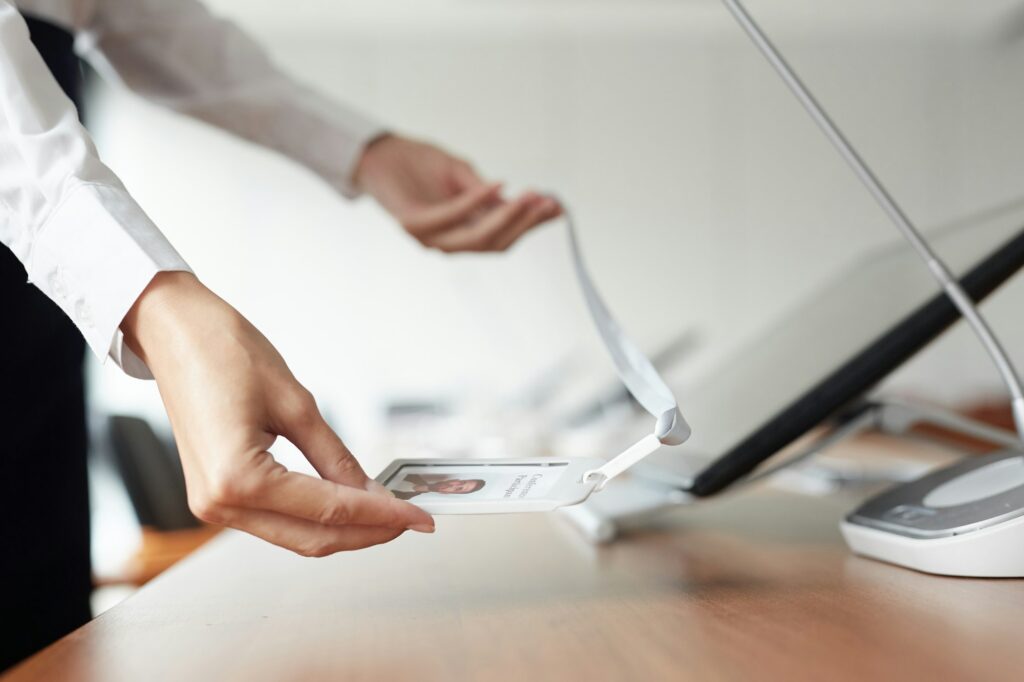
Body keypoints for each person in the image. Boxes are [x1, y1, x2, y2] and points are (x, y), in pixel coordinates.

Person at [0, 0, 561, 668]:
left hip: (40, 229)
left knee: (37, 610)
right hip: (32, 191)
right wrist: (152, 299)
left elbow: (128, 13)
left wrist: (363, 149)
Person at [392, 475, 487, 500]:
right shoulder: (411, 473)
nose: (455, 485)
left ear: (446, 493)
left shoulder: (405, 499)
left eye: (459, 489)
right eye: (461, 482)